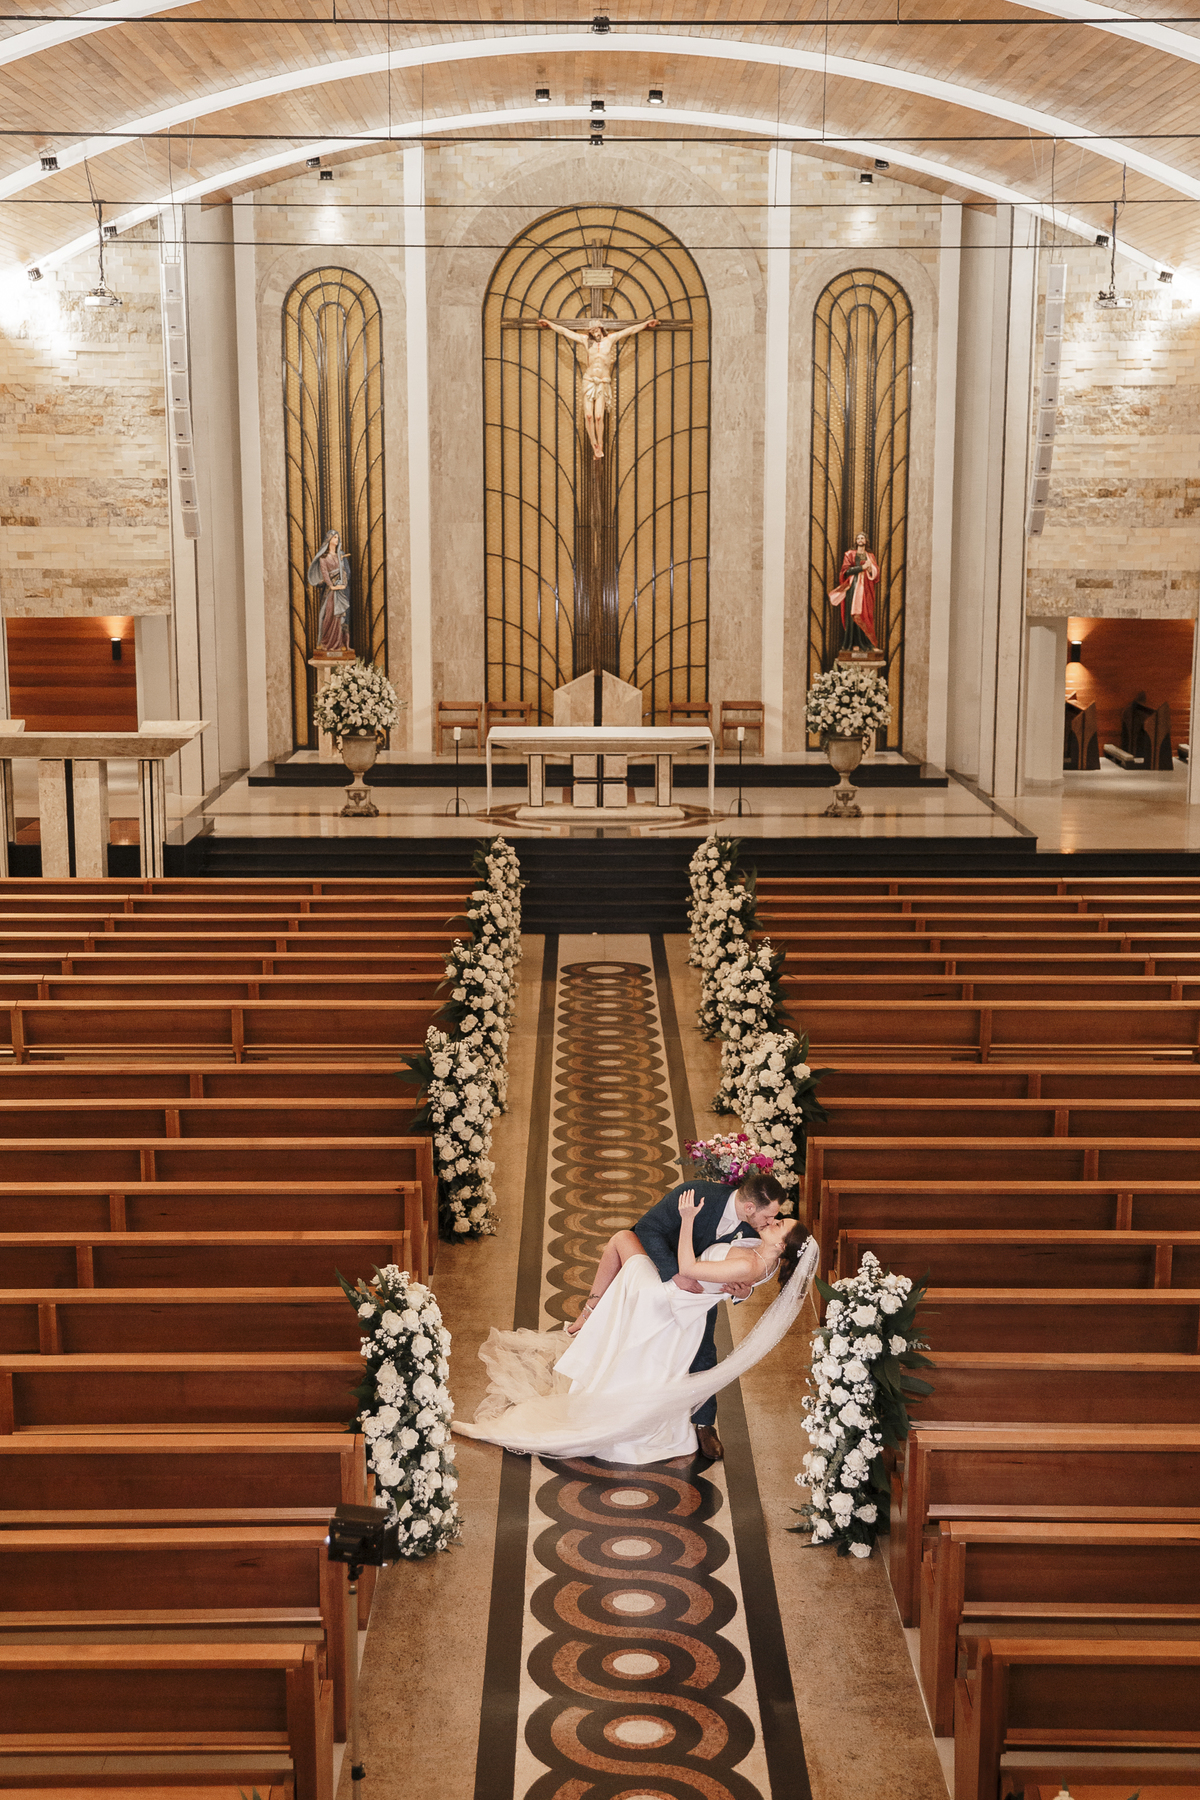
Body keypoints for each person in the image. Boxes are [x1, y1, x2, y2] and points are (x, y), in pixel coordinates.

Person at [451, 1187, 816, 1466]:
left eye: (779, 1223)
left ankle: (588, 1313)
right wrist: (742, 1288)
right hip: (679, 1299)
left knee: (621, 1239)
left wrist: (688, 1221)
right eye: (773, 1216)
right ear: (751, 1206)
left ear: (783, 1245)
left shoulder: (753, 1258)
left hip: (670, 1296)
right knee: (625, 1239)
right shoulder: (759, 1253)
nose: (772, 1220)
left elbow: (692, 1269)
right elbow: (660, 1232)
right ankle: (589, 1314)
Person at [538, 314, 659, 460]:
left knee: (599, 416)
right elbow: (565, 332)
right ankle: (594, 445)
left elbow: (630, 330)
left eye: (596, 330)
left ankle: (600, 444)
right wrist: (549, 324)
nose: (594, 333)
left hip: (602, 382)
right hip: (589, 380)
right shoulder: (586, 341)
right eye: (592, 331)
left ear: (601, 329)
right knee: (588, 416)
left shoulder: (610, 340)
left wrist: (646, 324)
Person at [828, 531, 880, 653]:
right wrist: (861, 568)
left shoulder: (870, 556)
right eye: (858, 538)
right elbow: (845, 571)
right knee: (853, 615)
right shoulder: (850, 554)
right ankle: (852, 643)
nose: (860, 540)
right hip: (853, 587)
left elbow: (876, 573)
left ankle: (866, 644)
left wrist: (871, 568)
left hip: (866, 589)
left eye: (863, 538)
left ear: (866, 541)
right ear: (856, 541)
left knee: (865, 614)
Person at [307, 529, 351, 655]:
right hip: (330, 592)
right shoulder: (323, 557)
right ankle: (326, 643)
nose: (337, 540)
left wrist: (343, 583)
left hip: (341, 592)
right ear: (329, 540)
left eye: (338, 537)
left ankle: (338, 644)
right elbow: (325, 574)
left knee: (339, 617)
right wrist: (332, 586)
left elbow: (346, 572)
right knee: (328, 616)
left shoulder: (340, 555)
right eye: (334, 537)